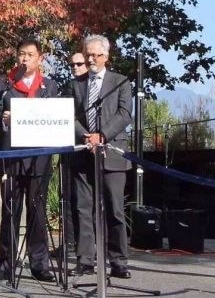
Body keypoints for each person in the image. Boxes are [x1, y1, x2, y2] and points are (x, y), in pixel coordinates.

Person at [0, 38, 57, 283]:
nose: (24, 58)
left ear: (40, 58)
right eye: (21, 54)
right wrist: (4, 118)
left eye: (30, 54)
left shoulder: (49, 87)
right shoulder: (4, 84)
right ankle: (5, 265)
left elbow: (56, 117)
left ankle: (40, 264)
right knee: (10, 212)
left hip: (39, 159)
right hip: (11, 158)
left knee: (37, 212)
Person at [64, 34, 132, 278]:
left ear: (106, 56)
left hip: (111, 152)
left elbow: (125, 114)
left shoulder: (120, 81)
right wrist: (86, 137)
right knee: (83, 207)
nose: (90, 59)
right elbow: (68, 114)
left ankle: (119, 261)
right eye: (88, 54)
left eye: (95, 55)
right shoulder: (76, 84)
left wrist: (101, 135)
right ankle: (85, 260)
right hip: (83, 152)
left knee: (114, 209)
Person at [59, 52, 89, 253]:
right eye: (72, 64)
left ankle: (92, 246)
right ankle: (70, 241)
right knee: (69, 197)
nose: (75, 67)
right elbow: (66, 112)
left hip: (98, 146)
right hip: (74, 145)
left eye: (79, 64)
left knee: (92, 200)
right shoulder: (70, 86)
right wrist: (85, 134)